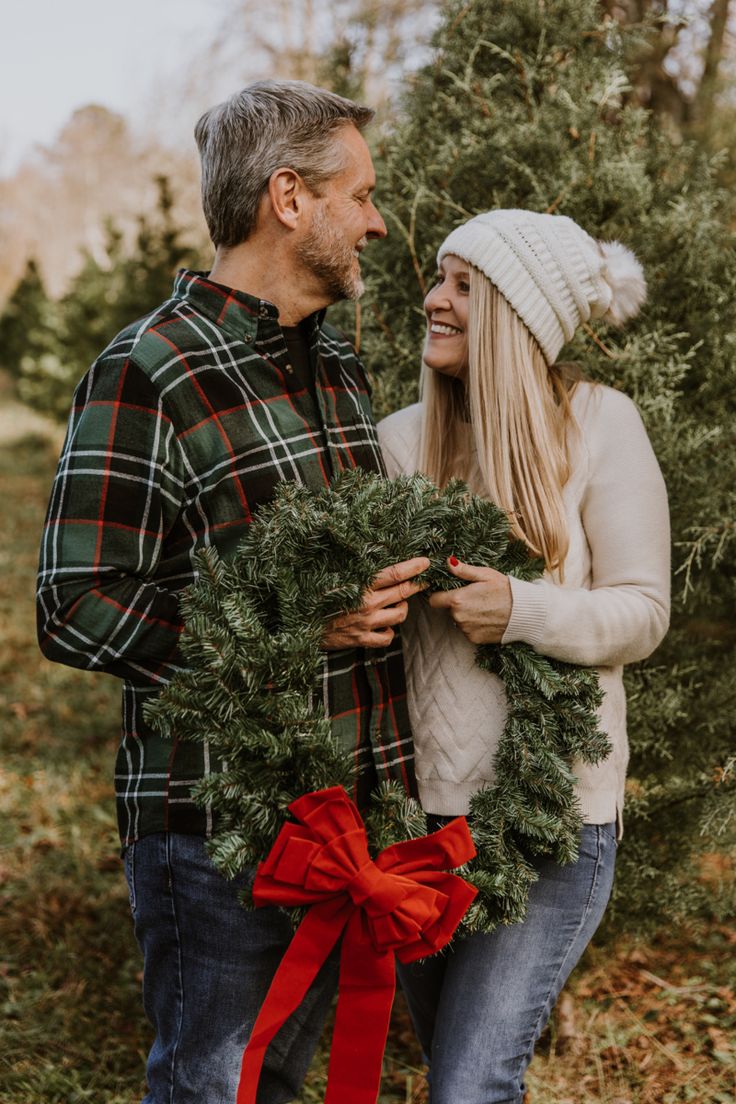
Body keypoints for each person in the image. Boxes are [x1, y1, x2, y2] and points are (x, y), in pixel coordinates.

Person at [36, 80, 429, 1104]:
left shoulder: (335, 366)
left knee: (281, 1083)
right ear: (289, 198)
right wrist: (297, 628)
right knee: (214, 1087)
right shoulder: (148, 369)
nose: (378, 222)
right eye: (362, 196)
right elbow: (72, 601)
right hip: (216, 831)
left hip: (342, 818)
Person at [378, 209, 670, 1104]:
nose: (434, 299)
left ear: (517, 313)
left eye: (463, 286)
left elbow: (644, 610)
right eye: (437, 278)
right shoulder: (397, 445)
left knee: (469, 1086)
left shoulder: (598, 426)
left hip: (551, 820)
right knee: (459, 1075)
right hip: (415, 825)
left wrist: (524, 609)